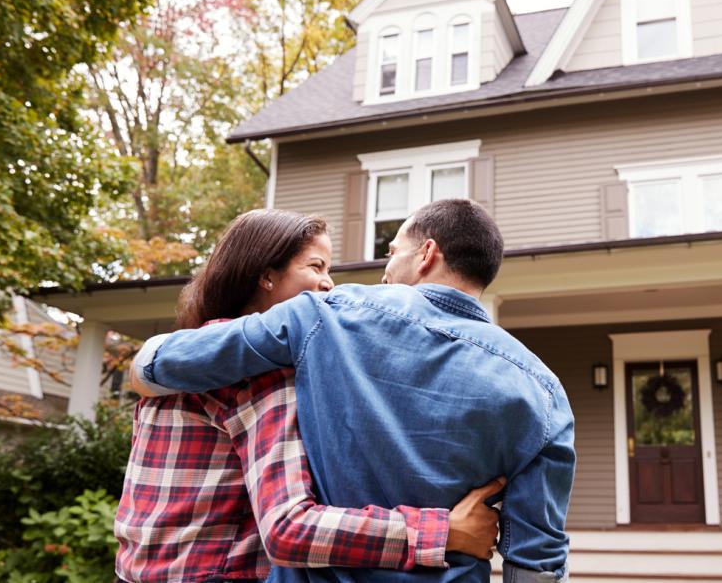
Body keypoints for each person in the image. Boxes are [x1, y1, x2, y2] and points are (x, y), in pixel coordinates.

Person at [132, 199, 575, 583]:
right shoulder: (545, 392)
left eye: (391, 252)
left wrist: (144, 366)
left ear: (426, 254)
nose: (383, 271)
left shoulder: (327, 317)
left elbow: (177, 359)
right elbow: (537, 556)